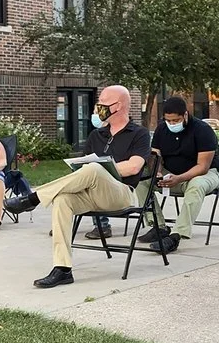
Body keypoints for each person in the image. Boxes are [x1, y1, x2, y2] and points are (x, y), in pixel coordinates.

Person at [8, 84, 153, 288]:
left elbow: (133, 166)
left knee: (94, 168)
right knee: (62, 200)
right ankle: (63, 269)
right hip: (92, 194)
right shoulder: (96, 135)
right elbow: (83, 169)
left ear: (118, 106)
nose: (98, 108)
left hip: (122, 194)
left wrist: (103, 169)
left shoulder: (139, 133)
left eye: (103, 103)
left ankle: (33, 198)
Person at [145, 96, 219, 253]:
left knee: (196, 185)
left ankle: (176, 235)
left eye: (176, 120)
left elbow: (203, 167)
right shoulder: (161, 129)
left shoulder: (202, 130)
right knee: (141, 180)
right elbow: (155, 156)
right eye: (168, 120)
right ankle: (158, 226)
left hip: (203, 174)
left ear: (185, 115)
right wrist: (157, 172)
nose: (172, 124)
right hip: (171, 174)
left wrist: (179, 178)